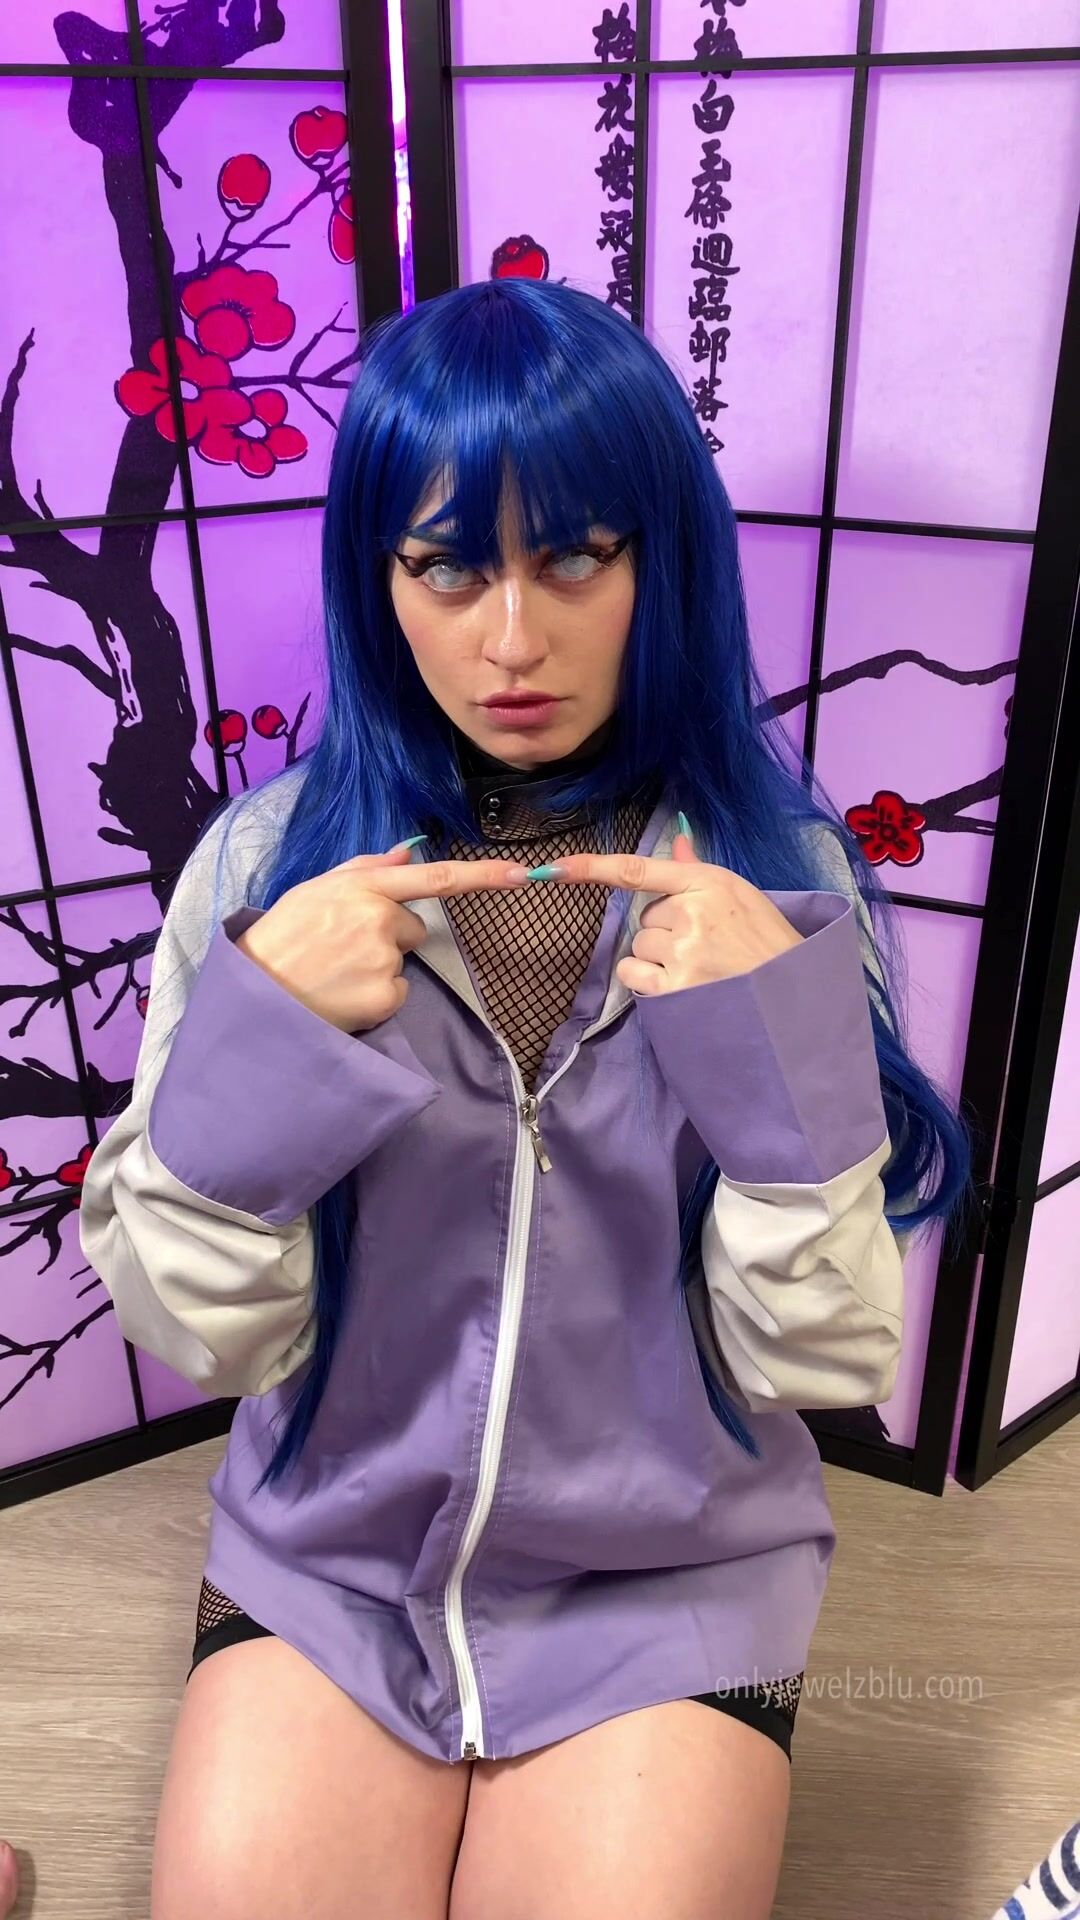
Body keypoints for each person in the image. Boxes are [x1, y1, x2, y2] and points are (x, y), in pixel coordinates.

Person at [78, 276, 973, 1920]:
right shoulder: (266, 874)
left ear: (659, 562)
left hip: (675, 1574)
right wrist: (264, 1053)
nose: (509, 639)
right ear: (379, 578)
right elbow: (211, 1340)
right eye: (446, 564)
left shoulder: (774, 884)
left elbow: (819, 1359)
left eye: (574, 557)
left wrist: (767, 1054)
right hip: (332, 1559)